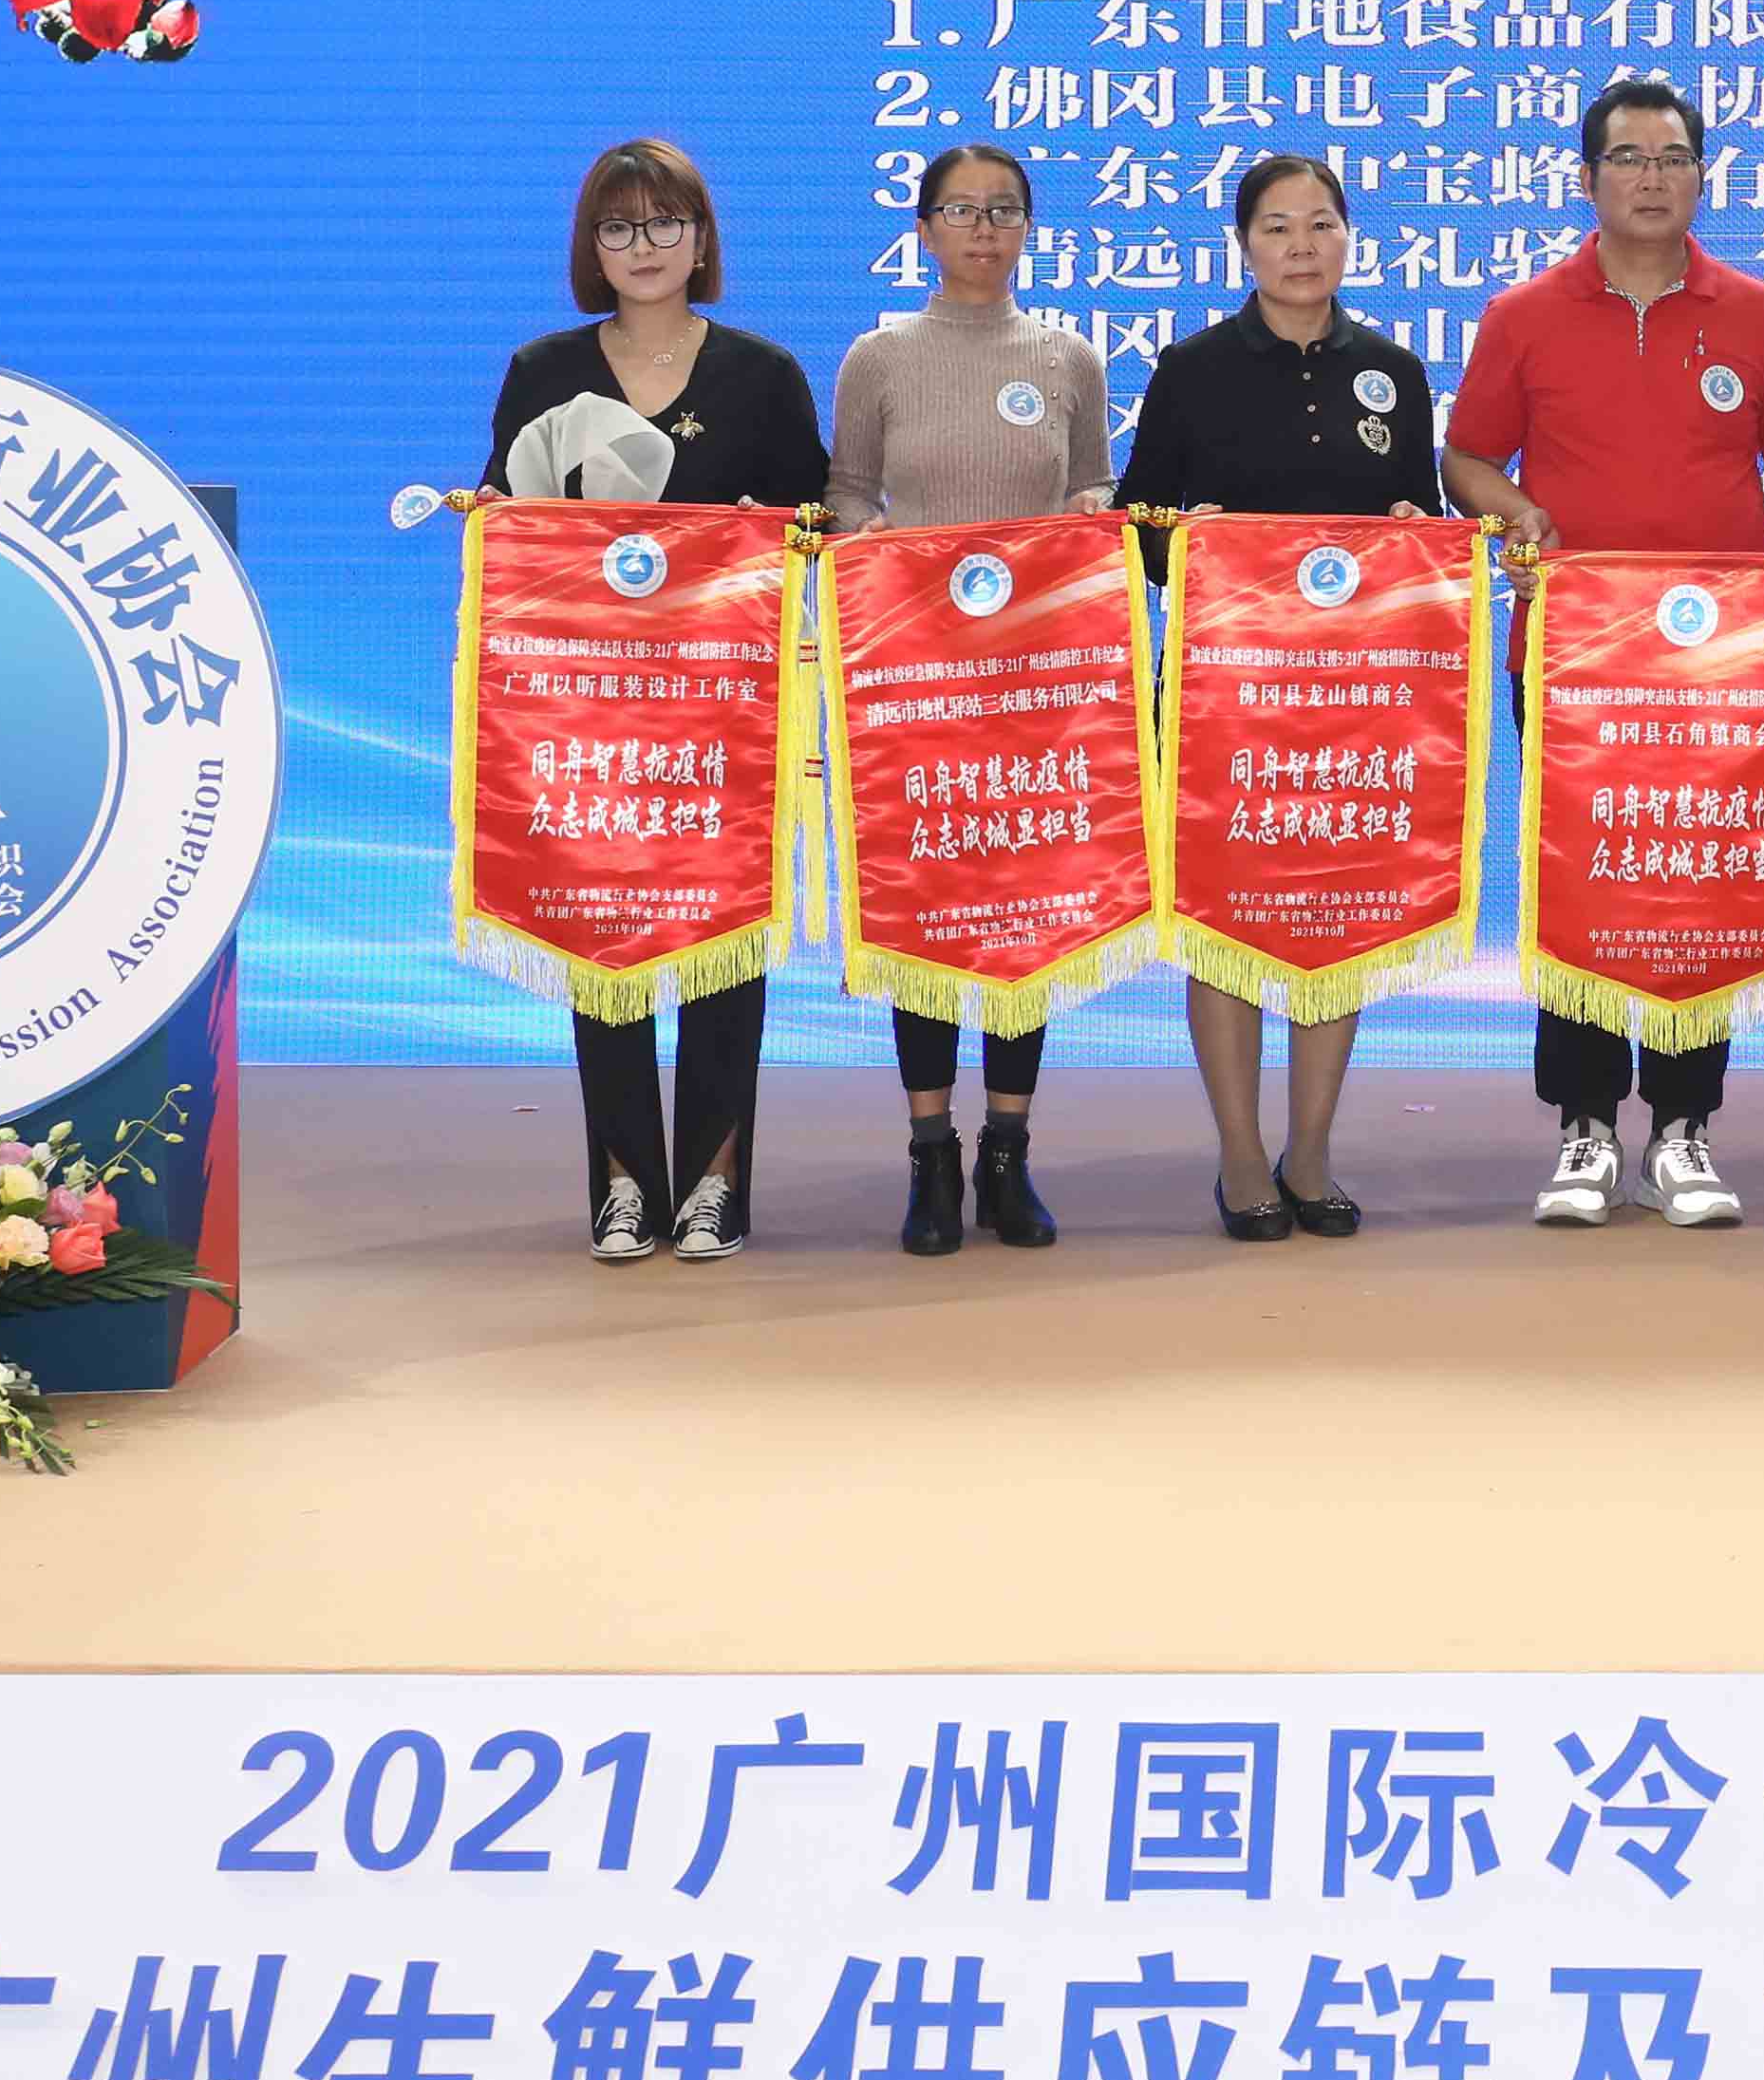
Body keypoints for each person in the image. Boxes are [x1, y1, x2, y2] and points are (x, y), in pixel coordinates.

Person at [1439, 75, 1764, 1230]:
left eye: (1671, 159)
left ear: (1701, 177)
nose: (1651, 178)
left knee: (1696, 873)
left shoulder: (1755, 313)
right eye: (1627, 158)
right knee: (1577, 877)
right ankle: (1582, 1123)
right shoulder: (1523, 313)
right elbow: (1465, 459)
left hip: (1718, 661)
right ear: (1586, 178)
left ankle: (1681, 1123)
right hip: (1571, 653)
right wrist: (1515, 512)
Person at [487, 138, 829, 1268]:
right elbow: (508, 523)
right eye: (618, 227)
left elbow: (813, 523)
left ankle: (716, 1182)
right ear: (591, 248)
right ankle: (624, 1182)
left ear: (700, 238)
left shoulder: (761, 373)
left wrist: (765, 531)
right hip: (590, 711)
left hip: (725, 707)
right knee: (604, 929)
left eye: (664, 223)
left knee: (726, 930)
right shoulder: (542, 370)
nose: (643, 246)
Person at [1117, 153, 1438, 1243]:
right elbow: (1135, 534)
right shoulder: (1192, 367)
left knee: (1335, 910)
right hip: (1224, 696)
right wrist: (1188, 538)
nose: (1301, 247)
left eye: (1320, 225)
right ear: (1243, 245)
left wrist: (1414, 533)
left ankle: (1310, 1152)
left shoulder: (1392, 370)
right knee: (1224, 924)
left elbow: (1417, 523)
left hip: (1355, 698)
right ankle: (1242, 1155)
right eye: (1276, 227)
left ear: (1348, 237)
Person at [828, 138, 1114, 1258]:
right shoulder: (879, 358)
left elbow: (1090, 489)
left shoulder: (1068, 358)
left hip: (1034, 688)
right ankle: (929, 1153)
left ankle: (1007, 1149)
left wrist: (1088, 516)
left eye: (1003, 210)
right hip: (916, 683)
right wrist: (882, 546)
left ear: (1028, 229)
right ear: (924, 230)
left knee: (1021, 906)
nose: (983, 228)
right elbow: (847, 496)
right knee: (926, 905)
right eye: (960, 210)